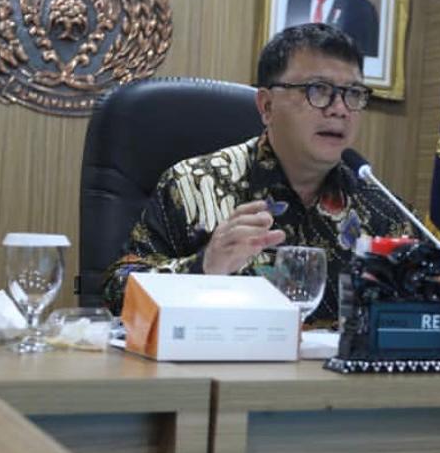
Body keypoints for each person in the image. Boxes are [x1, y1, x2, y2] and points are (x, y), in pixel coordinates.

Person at [103, 23, 414, 324]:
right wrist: (203, 266)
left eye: (353, 93)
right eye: (318, 90)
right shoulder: (193, 185)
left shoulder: (382, 211)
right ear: (266, 106)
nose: (340, 109)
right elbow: (116, 294)